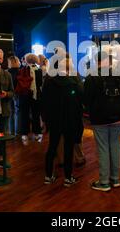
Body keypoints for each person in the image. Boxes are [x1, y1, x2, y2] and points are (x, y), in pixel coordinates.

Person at [84, 51, 120, 192]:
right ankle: (115, 179)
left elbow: (86, 98)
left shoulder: (92, 77)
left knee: (103, 148)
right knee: (115, 146)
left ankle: (104, 182)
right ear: (110, 62)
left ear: (97, 62)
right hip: (118, 115)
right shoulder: (119, 74)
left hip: (99, 118)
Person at [41, 54, 84, 187]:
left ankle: (48, 176)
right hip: (70, 118)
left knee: (52, 147)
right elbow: (81, 98)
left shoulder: (49, 80)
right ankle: (68, 177)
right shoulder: (74, 79)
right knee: (68, 148)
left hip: (54, 119)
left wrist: (45, 120)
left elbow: (44, 102)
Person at [16, 53, 43, 144]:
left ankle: (25, 134)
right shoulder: (39, 70)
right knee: (36, 114)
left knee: (25, 115)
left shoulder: (23, 69)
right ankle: (37, 133)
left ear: (26, 60)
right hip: (36, 95)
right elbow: (39, 84)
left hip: (25, 94)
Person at [7, 56, 21, 136]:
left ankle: (11, 132)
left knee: (10, 113)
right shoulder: (21, 71)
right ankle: (17, 131)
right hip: (18, 94)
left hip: (9, 94)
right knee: (17, 113)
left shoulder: (6, 72)